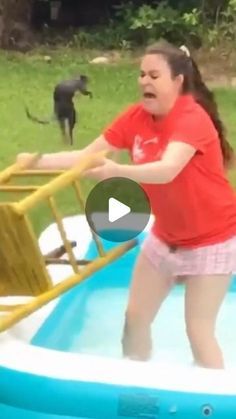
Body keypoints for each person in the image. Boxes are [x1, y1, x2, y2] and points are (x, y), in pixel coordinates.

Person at [17, 40, 236, 369]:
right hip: (166, 239)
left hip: (212, 240)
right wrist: (35, 161)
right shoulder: (136, 117)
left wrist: (118, 171)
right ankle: (135, 380)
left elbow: (167, 169)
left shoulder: (192, 118)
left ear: (178, 82)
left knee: (198, 331)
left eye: (154, 75)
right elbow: (87, 156)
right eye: (141, 74)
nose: (144, 81)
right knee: (134, 319)